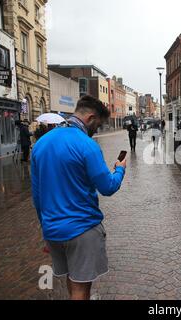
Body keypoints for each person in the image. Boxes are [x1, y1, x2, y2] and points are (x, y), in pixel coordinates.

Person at [31, 95, 126, 300]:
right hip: (81, 228)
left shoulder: (41, 144)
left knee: (72, 280)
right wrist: (120, 170)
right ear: (91, 118)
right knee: (81, 288)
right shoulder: (86, 145)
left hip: (53, 230)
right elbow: (108, 187)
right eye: (98, 125)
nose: (96, 130)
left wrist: (45, 228)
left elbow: (37, 195)